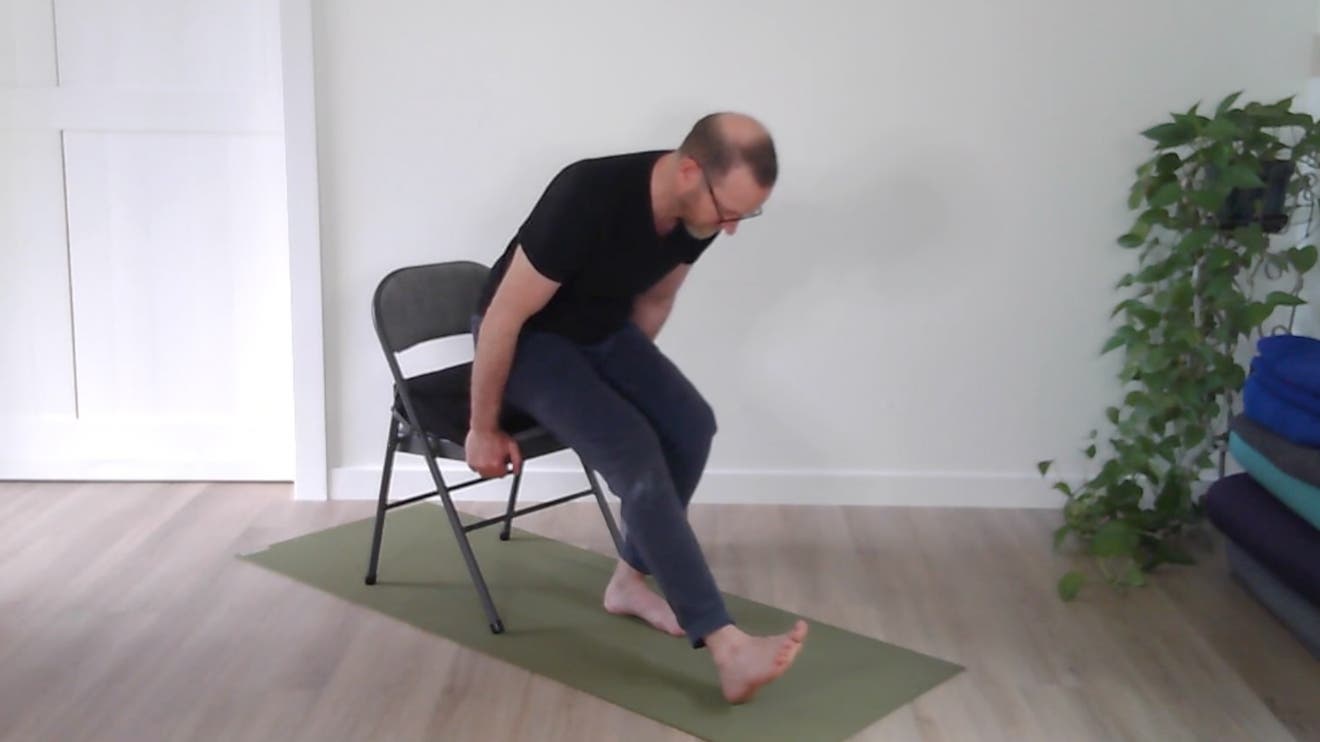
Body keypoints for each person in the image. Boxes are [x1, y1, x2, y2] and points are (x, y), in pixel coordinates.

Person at [465, 112, 807, 704]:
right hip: (531, 344)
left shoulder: (693, 217)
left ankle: (629, 580)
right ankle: (726, 646)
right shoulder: (587, 195)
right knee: (637, 459)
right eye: (730, 212)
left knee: (691, 426)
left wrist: (623, 386)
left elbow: (654, 298)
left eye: (745, 216)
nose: (730, 230)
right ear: (690, 171)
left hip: (602, 333)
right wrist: (482, 428)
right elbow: (503, 317)